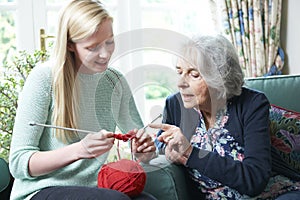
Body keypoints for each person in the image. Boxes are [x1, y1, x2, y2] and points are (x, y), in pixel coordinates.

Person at [9, 0, 156, 200]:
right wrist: (79, 150)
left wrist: (144, 150)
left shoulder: (115, 81)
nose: (105, 54)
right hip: (41, 190)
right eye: (92, 47)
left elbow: (141, 148)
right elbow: (18, 163)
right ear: (70, 44)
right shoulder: (44, 78)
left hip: (95, 189)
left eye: (110, 42)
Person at [150, 34, 300, 199]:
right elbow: (163, 144)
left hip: (273, 194)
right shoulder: (175, 105)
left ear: (219, 77)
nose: (180, 83)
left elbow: (255, 179)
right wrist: (150, 151)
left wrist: (192, 153)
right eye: (179, 72)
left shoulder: (253, 104)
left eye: (194, 74)